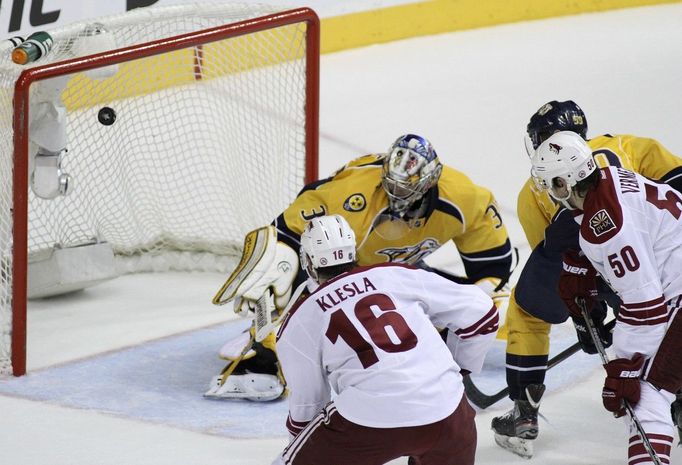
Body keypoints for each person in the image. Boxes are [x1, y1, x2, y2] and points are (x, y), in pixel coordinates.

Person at [206, 133, 513, 401]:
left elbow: (493, 266)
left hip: (400, 273)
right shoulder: (354, 190)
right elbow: (289, 229)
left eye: (406, 190)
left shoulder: (466, 199)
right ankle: (264, 351)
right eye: (391, 185)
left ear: (430, 182)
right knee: (288, 278)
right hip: (342, 270)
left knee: (495, 303)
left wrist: (477, 300)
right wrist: (277, 261)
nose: (396, 197)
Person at [491, 100, 682, 458]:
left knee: (643, 387)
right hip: (650, 261)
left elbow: (644, 309)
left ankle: (524, 409)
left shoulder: (556, 201)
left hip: (641, 277)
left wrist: (621, 364)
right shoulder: (622, 153)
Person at [271, 214, 498, 465]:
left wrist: (304, 450)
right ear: (352, 251)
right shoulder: (396, 274)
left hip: (367, 421)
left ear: (308, 262)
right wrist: (459, 368)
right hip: (448, 414)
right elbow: (483, 312)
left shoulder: (300, 319)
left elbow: (308, 406)